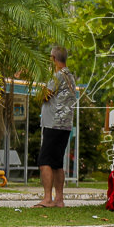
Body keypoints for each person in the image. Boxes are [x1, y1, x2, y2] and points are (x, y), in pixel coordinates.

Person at [36, 47, 77, 208]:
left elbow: (44, 95)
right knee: (57, 163)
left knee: (44, 160)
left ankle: (47, 198)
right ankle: (59, 199)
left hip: (53, 123)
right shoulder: (70, 76)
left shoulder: (57, 76)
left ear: (53, 58)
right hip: (65, 124)